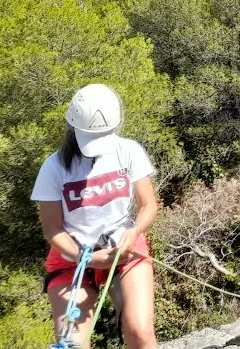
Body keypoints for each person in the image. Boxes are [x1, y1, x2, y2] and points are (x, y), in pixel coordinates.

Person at [32, 83, 159, 349]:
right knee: (73, 346)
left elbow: (148, 205)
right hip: (72, 257)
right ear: (73, 129)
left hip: (123, 248)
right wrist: (85, 257)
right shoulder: (54, 168)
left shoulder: (128, 151)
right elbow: (53, 229)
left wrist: (134, 230)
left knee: (140, 332)